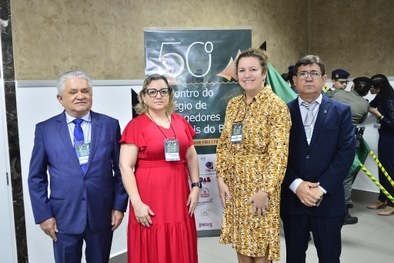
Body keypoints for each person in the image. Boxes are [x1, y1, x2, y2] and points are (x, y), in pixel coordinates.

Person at [28, 70, 128, 263]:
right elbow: (36, 177)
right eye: (73, 92)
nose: (80, 96)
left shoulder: (109, 125)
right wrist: (44, 215)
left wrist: (119, 206)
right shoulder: (45, 129)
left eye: (85, 91)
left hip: (102, 213)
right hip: (63, 217)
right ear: (60, 98)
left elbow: (121, 169)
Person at [216, 48, 291, 263]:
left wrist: (265, 190)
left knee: (259, 246)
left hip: (260, 187)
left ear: (264, 73)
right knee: (241, 242)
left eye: (252, 69)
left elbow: (279, 154)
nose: (247, 75)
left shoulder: (276, 106)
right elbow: (224, 144)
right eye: (242, 70)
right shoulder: (234, 105)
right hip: (235, 185)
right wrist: (221, 178)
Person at [281, 55, 355, 263]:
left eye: (314, 73)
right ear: (294, 80)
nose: (308, 78)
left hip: (328, 200)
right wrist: (297, 185)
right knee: (294, 257)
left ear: (324, 80)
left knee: (330, 257)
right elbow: (276, 155)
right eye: (303, 74)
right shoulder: (282, 112)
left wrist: (320, 189)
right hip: (293, 200)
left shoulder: (341, 112)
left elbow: (346, 152)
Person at [119, 74, 200, 263]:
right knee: (153, 244)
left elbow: (191, 155)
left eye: (164, 91)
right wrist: (137, 203)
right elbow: (125, 166)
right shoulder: (135, 125)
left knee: (179, 240)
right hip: (149, 198)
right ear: (144, 96)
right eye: (152, 91)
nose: (158, 96)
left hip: (179, 197)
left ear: (170, 95)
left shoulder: (180, 122)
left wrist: (196, 186)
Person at [331, 77, 372, 224]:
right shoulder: (364, 104)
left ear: (353, 85)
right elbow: (360, 120)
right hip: (348, 141)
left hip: (327, 140)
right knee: (346, 177)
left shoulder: (336, 94)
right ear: (367, 92)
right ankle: (344, 214)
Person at [367, 74, 394, 216]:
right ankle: (383, 198)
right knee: (382, 167)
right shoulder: (382, 96)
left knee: (389, 170)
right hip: (384, 137)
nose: (370, 88)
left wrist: (379, 115)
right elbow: (371, 105)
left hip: (390, 139)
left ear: (379, 87)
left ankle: (392, 203)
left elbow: (393, 124)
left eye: (372, 87)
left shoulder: (390, 100)